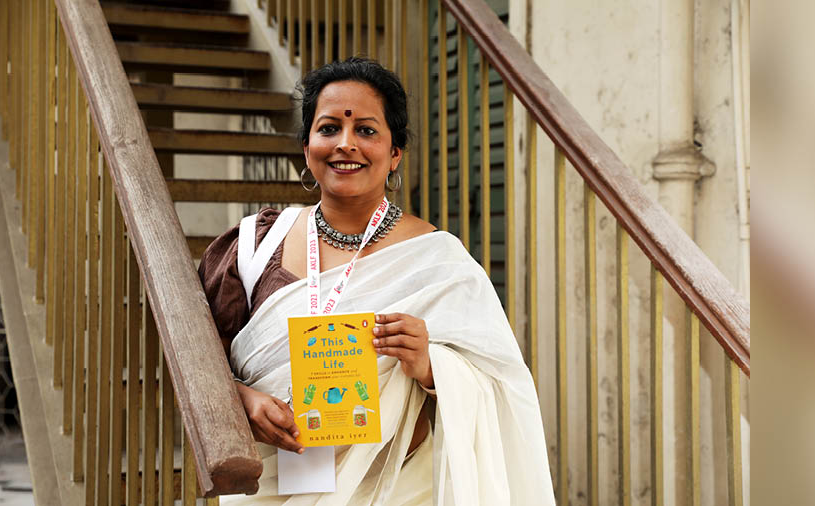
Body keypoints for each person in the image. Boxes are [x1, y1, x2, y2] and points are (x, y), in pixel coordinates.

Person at [198, 57, 554, 505]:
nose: (346, 144)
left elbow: (502, 388)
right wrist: (245, 400)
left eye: (366, 130)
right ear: (306, 149)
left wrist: (429, 366)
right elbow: (198, 365)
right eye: (328, 129)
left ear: (394, 153)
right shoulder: (254, 246)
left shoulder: (438, 260)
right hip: (276, 482)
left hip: (402, 487)